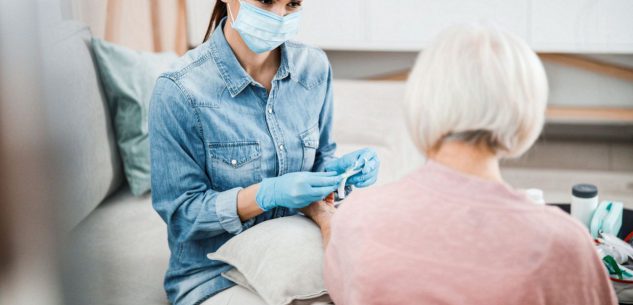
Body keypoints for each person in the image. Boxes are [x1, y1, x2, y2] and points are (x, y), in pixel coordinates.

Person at [320, 24, 618, 305]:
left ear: (421, 103)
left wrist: (324, 219)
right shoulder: (561, 243)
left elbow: (345, 287)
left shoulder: (358, 215)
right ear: (526, 113)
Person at [148, 1, 380, 304]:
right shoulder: (179, 90)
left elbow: (322, 155)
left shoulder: (313, 68)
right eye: (266, 1)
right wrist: (264, 194)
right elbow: (181, 215)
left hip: (296, 245)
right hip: (214, 275)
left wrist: (340, 174)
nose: (278, 16)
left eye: (292, 4)